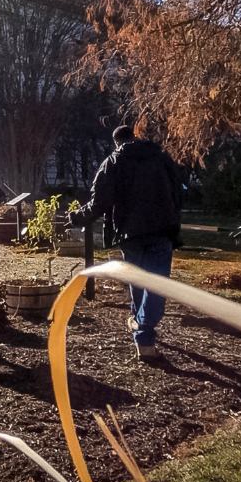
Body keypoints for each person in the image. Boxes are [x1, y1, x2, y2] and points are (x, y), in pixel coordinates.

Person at [67, 125, 183, 360]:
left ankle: (141, 329)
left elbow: (100, 201)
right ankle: (144, 337)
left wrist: (76, 218)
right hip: (162, 230)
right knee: (158, 284)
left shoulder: (113, 162)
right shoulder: (162, 158)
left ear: (116, 142)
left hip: (131, 234)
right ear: (135, 137)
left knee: (139, 283)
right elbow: (180, 191)